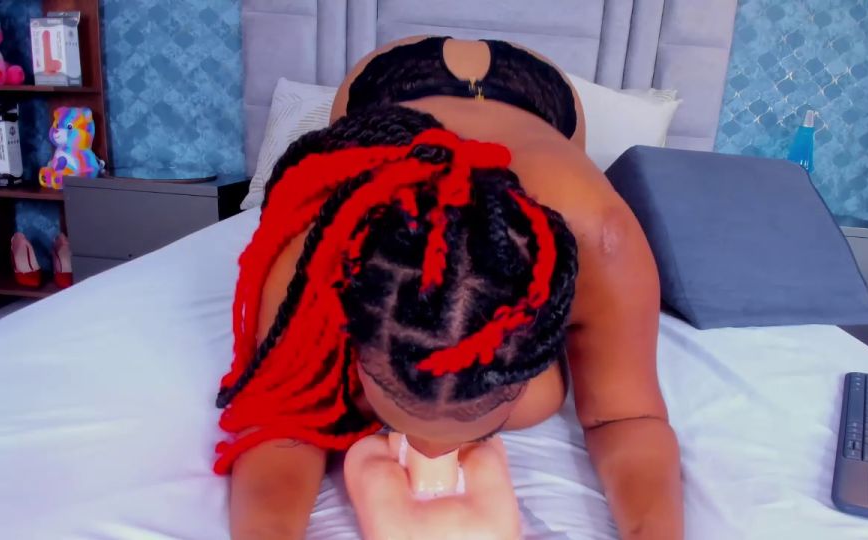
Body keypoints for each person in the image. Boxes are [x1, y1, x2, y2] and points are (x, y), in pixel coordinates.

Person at [215, 36, 681, 540]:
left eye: (485, 424)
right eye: (395, 407)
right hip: (386, 88)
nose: (431, 452)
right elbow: (280, 419)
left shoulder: (601, 239)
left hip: (541, 98)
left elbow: (627, 416)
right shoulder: (318, 240)